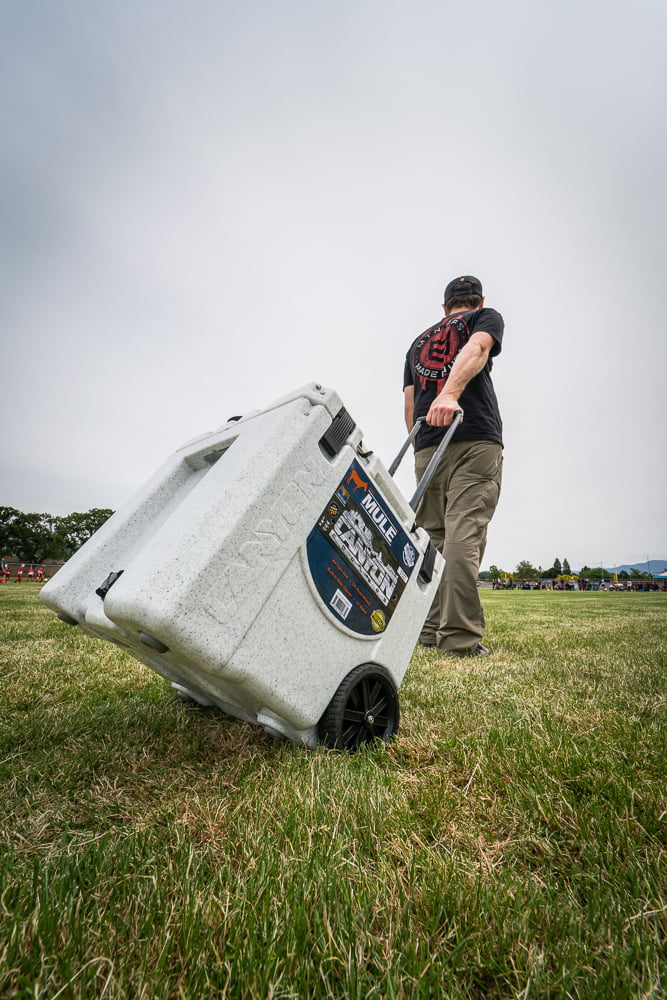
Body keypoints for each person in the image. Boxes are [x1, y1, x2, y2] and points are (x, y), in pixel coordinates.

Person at [404, 274, 504, 656]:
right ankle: (460, 639)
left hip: (427, 444)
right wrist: (448, 394)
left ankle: (428, 632)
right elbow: (478, 349)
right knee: (465, 532)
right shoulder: (485, 318)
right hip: (473, 433)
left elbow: (410, 406)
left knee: (433, 538)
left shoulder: (418, 343)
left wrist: (420, 445)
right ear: (478, 302)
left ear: (445, 307)